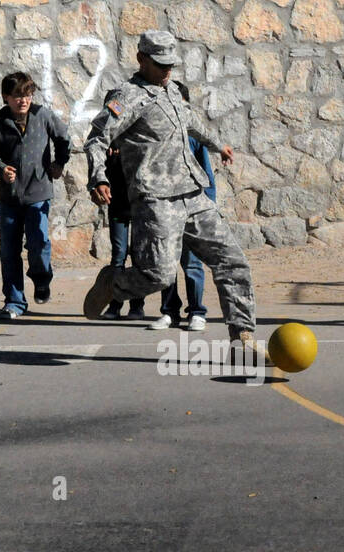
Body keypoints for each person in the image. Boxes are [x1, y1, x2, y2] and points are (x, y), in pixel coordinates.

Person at [82, 30, 258, 350]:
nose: (167, 71)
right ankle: (115, 284)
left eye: (171, 65)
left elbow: (190, 122)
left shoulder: (173, 90)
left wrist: (218, 145)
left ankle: (242, 335)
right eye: (160, 64)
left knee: (232, 261)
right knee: (158, 276)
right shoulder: (126, 97)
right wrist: (98, 178)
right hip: (156, 199)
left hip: (193, 192)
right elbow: (97, 138)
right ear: (141, 60)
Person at [0, 71, 70, 319]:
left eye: (28, 94)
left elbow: (63, 138)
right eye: (18, 95)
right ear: (6, 97)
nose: (23, 100)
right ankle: (14, 301)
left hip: (38, 193)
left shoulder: (43, 116)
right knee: (9, 251)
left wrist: (59, 163)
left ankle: (42, 280)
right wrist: (1, 169)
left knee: (39, 242)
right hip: (9, 198)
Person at [150, 80, 211, 332]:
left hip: (192, 207)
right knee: (166, 264)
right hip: (165, 209)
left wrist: (208, 206)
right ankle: (169, 312)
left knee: (193, 263)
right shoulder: (156, 135)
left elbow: (206, 174)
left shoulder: (194, 136)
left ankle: (197, 312)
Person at [100, 146, 147, 321]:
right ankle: (115, 303)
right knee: (118, 254)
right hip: (117, 204)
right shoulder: (110, 139)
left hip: (140, 204)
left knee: (138, 255)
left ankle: (137, 305)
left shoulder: (139, 138)